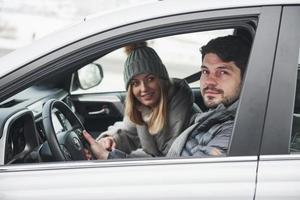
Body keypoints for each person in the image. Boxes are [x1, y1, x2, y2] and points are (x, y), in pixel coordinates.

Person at [83, 43, 195, 159]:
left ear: (162, 80)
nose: (144, 89)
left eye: (150, 79)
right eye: (135, 83)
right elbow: (128, 132)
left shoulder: (178, 105)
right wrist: (111, 139)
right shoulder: (141, 106)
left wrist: (109, 157)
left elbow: (166, 158)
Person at [167, 35, 251, 157]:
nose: (209, 81)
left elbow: (190, 174)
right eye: (206, 71)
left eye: (222, 72)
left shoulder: (235, 132)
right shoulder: (215, 117)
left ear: (245, 79)